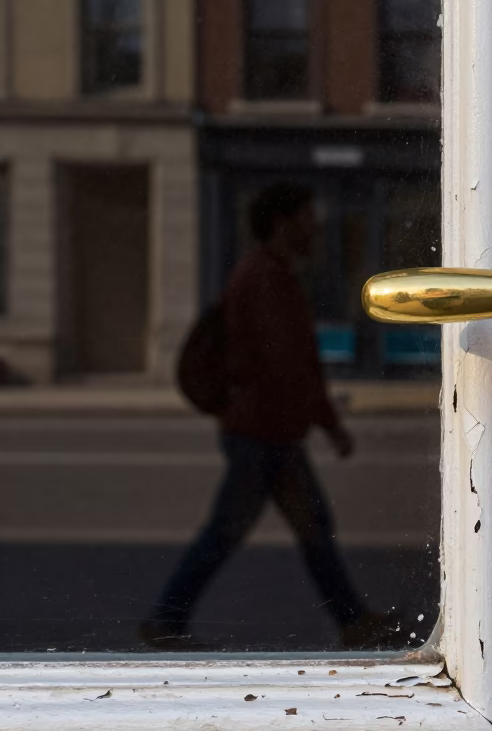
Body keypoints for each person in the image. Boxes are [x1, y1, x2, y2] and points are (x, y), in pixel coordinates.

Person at [141, 183, 397, 650]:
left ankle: (353, 620)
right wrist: (329, 423)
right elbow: (292, 366)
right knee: (231, 531)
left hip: (271, 432)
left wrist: (323, 421)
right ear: (283, 224)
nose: (315, 227)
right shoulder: (265, 281)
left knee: (311, 527)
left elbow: (295, 366)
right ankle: (165, 621)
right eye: (307, 217)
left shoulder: (269, 275)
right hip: (261, 434)